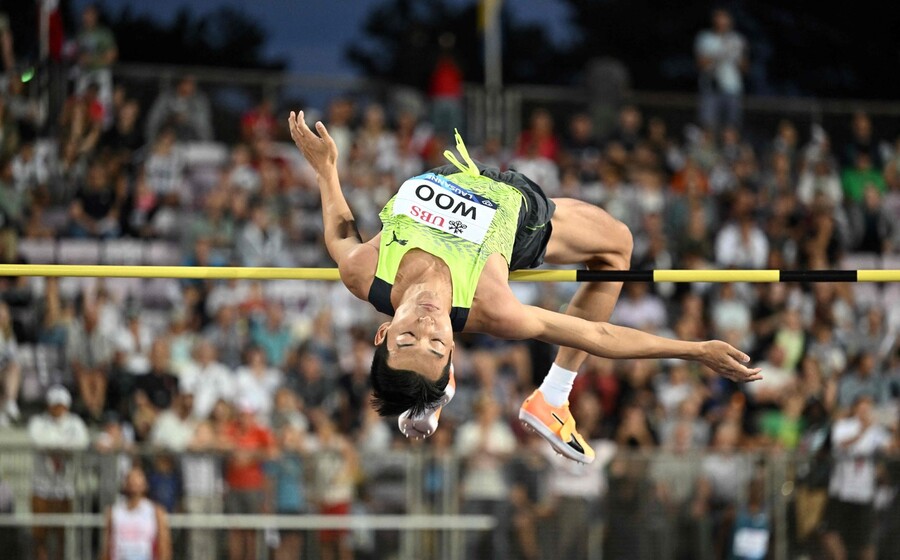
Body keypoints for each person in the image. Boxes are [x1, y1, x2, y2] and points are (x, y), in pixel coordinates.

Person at [288, 111, 761, 465]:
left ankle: (430, 391)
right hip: (520, 214)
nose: (428, 323)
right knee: (617, 246)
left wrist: (326, 170)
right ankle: (553, 396)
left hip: (462, 171)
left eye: (410, 336)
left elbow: (340, 236)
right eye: (436, 343)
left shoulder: (366, 271)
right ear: (453, 345)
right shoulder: (495, 306)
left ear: (384, 332)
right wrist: (694, 349)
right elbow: (596, 336)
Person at [28, 386, 90, 560]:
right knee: (40, 534)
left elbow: (82, 442)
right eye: (55, 405)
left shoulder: (75, 423)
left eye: (61, 405)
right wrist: (63, 446)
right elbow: (37, 440)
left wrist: (54, 446)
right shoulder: (38, 422)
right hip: (41, 486)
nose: (58, 409)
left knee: (62, 534)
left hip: (66, 486)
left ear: (67, 406)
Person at [101, 465, 172, 560]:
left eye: (138, 480)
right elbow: (107, 546)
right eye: (131, 480)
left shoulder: (155, 511)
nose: (134, 483)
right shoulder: (114, 511)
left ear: (145, 484)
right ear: (125, 484)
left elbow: (164, 545)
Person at [694, 8, 748, 132]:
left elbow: (745, 68)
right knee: (708, 125)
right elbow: (700, 64)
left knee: (732, 126)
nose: (722, 22)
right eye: (719, 18)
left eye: (725, 19)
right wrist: (721, 53)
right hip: (711, 88)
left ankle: (729, 150)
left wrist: (737, 57)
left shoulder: (737, 39)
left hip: (732, 88)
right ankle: (709, 151)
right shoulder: (705, 38)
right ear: (714, 20)